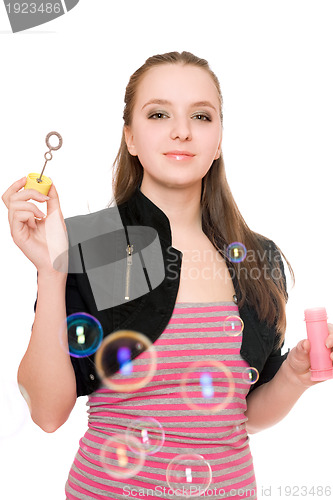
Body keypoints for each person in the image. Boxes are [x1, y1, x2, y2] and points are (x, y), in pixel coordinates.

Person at [2, 51, 333, 500]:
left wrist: (294, 374)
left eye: (200, 115)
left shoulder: (257, 258)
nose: (182, 130)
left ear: (217, 141)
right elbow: (46, 412)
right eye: (159, 113)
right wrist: (50, 271)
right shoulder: (90, 243)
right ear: (130, 138)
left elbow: (243, 415)